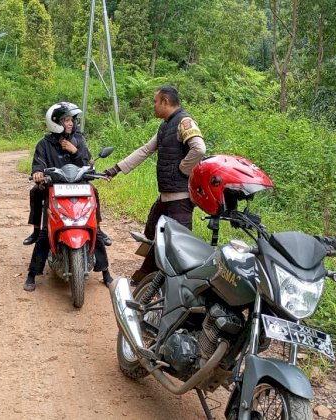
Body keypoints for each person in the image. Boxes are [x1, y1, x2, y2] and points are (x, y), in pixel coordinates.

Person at [103, 86, 206, 283]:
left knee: (178, 247)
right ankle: (143, 278)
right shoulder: (165, 126)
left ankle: (178, 289)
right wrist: (116, 169)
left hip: (180, 200)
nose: (154, 105)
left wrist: (183, 169)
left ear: (165, 101)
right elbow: (145, 151)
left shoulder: (184, 122)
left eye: (155, 101)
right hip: (166, 197)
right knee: (153, 236)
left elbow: (199, 148)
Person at [23, 102, 113, 292]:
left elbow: (88, 162)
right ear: (55, 122)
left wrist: (75, 151)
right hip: (54, 188)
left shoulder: (78, 139)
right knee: (46, 230)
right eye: (66, 120)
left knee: (92, 215)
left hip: (78, 187)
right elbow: (38, 165)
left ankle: (105, 270)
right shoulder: (44, 144)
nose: (70, 123)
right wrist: (38, 173)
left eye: (71, 120)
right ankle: (33, 267)